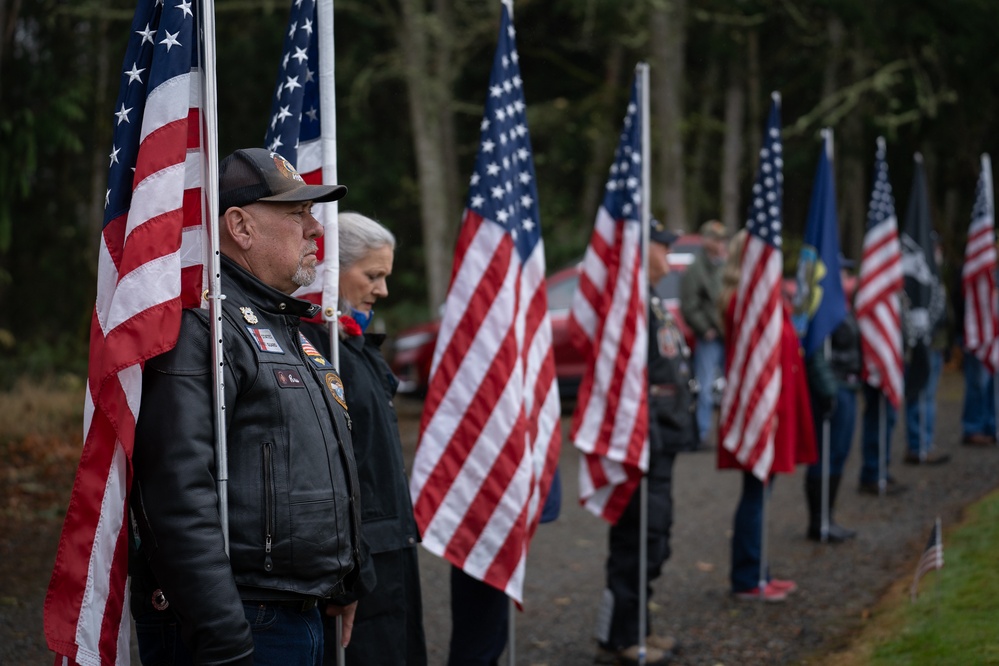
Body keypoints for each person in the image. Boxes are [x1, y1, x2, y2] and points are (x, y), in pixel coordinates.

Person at [128, 148, 366, 665]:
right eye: (297, 214)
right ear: (240, 226)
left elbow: (320, 465)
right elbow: (174, 492)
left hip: (301, 612)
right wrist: (221, 636)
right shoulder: (203, 330)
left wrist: (347, 577)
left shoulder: (290, 329)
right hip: (242, 621)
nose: (316, 230)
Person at [299, 212, 428, 665]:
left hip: (391, 547)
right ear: (333, 271)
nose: (383, 290)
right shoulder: (318, 353)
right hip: (361, 559)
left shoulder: (353, 346)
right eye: (373, 275)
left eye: (385, 276)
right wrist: (348, 569)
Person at [595, 222, 698, 666]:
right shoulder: (633, 303)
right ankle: (619, 640)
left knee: (655, 539)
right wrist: (650, 441)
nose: (669, 254)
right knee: (639, 541)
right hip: (645, 445)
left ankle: (638, 630)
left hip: (663, 440)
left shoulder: (653, 300)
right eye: (663, 246)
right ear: (642, 251)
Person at [717, 230, 817, 602]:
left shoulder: (762, 299)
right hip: (763, 409)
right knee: (755, 492)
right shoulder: (744, 301)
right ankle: (747, 577)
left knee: (761, 492)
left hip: (778, 405)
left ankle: (759, 570)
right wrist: (768, 412)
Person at [803, 263, 860, 542]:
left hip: (846, 385)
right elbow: (815, 354)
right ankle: (818, 520)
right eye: (845, 274)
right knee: (825, 454)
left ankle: (829, 516)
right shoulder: (825, 308)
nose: (850, 279)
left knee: (839, 453)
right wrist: (829, 390)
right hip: (833, 388)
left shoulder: (845, 306)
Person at [680, 220, 728, 448]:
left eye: (722, 239)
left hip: (727, 335)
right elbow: (689, 305)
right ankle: (701, 433)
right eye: (716, 239)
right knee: (706, 387)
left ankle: (729, 433)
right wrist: (704, 328)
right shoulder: (695, 269)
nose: (721, 243)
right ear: (706, 241)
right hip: (709, 337)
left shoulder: (723, 266)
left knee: (730, 386)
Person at [903, 237, 951, 465]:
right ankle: (918, 444)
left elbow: (945, 312)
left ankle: (925, 442)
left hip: (936, 345)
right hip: (922, 346)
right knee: (920, 395)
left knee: (929, 396)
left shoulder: (935, 279)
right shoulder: (916, 279)